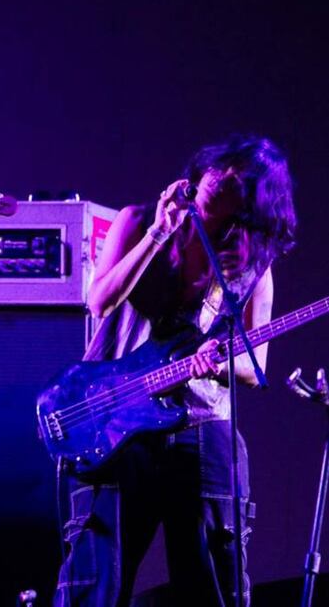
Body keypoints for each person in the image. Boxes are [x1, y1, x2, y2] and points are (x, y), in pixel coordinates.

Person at [54, 135, 297, 606]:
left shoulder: (251, 269)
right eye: (216, 171)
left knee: (211, 580)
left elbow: (254, 366)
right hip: (113, 414)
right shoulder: (138, 220)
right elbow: (99, 300)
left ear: (250, 205)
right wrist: (157, 235)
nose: (215, 182)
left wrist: (217, 364)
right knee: (94, 581)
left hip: (199, 422)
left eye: (233, 182)